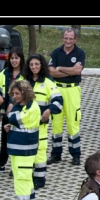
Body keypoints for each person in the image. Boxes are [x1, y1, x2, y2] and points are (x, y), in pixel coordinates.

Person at [21, 54, 63, 188]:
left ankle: (39, 180)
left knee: (39, 153)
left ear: (42, 65)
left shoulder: (48, 83)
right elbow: (13, 98)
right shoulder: (23, 81)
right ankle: (27, 178)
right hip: (24, 125)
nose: (34, 67)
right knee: (26, 152)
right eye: (31, 64)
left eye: (37, 64)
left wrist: (49, 110)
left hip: (40, 125)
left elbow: (58, 101)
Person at [48, 28, 85, 166]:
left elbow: (77, 71)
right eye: (66, 38)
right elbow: (51, 72)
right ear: (62, 38)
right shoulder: (56, 52)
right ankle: (56, 154)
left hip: (72, 90)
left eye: (71, 38)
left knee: (72, 123)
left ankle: (75, 155)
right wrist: (69, 71)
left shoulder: (80, 53)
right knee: (56, 123)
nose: (68, 41)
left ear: (75, 39)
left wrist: (59, 68)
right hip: (57, 89)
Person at [3, 80, 40, 200]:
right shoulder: (24, 106)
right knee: (26, 178)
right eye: (13, 93)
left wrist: (12, 119)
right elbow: (17, 122)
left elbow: (12, 116)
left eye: (17, 93)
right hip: (20, 149)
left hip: (24, 151)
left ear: (25, 93)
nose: (15, 96)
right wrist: (11, 126)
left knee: (21, 180)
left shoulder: (31, 109)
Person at [0, 46, 24, 175]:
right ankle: (1, 165)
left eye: (17, 58)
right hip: (5, 113)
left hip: (19, 114)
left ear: (21, 59)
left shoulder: (25, 75)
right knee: (4, 141)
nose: (14, 60)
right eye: (12, 58)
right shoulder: (4, 73)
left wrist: (12, 104)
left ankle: (16, 168)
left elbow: (26, 95)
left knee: (16, 140)